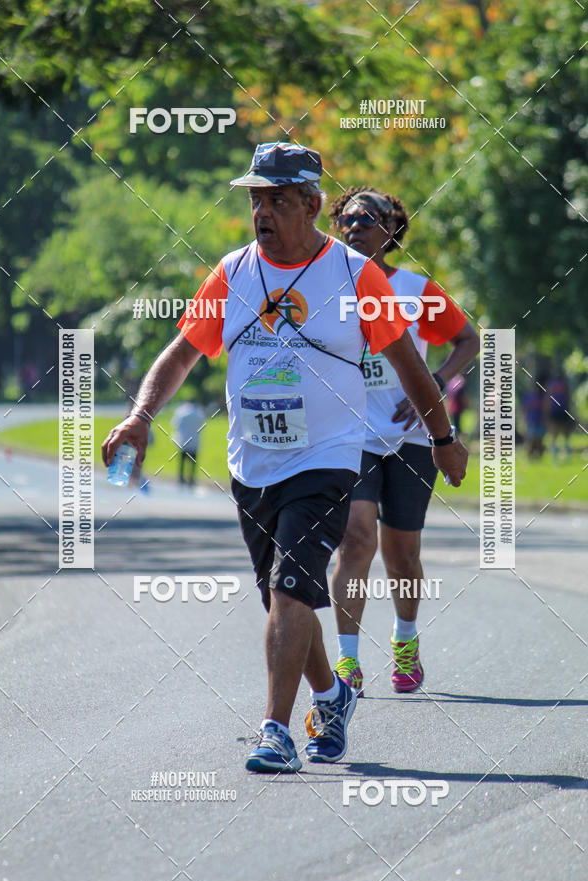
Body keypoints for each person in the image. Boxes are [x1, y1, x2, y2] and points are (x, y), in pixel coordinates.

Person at [102, 144, 468, 774]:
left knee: (291, 588)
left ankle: (275, 731)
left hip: (326, 459)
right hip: (252, 464)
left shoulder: (358, 276)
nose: (262, 211)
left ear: (313, 205)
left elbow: (411, 366)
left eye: (277, 199)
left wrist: (442, 439)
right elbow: (182, 353)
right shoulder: (232, 272)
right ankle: (333, 695)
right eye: (255, 199)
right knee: (284, 597)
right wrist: (139, 416)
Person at [328, 186, 480, 696]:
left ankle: (406, 640)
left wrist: (434, 384)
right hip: (351, 435)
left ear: (392, 230)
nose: (355, 226)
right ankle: (346, 663)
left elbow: (470, 340)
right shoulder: (324, 287)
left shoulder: (415, 290)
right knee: (355, 539)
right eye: (346, 218)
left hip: (413, 437)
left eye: (368, 218)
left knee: (402, 556)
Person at [171, 401, 206, 485]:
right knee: (193, 462)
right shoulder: (199, 414)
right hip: (195, 441)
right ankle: (191, 479)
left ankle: (181, 478)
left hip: (184, 440)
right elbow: (202, 425)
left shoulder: (181, 413)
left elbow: (175, 424)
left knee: (182, 462)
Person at [547, 371, 572, 460]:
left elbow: (548, 398)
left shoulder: (552, 384)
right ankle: (561, 452)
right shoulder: (564, 385)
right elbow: (568, 397)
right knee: (564, 432)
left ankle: (557, 453)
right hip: (561, 410)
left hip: (557, 410)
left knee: (556, 432)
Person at [524, 382, 547, 459]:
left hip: (540, 421)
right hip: (532, 421)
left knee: (539, 440)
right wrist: (525, 419)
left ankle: (539, 456)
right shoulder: (529, 397)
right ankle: (530, 456)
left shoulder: (542, 398)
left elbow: (545, 410)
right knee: (531, 440)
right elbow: (525, 409)